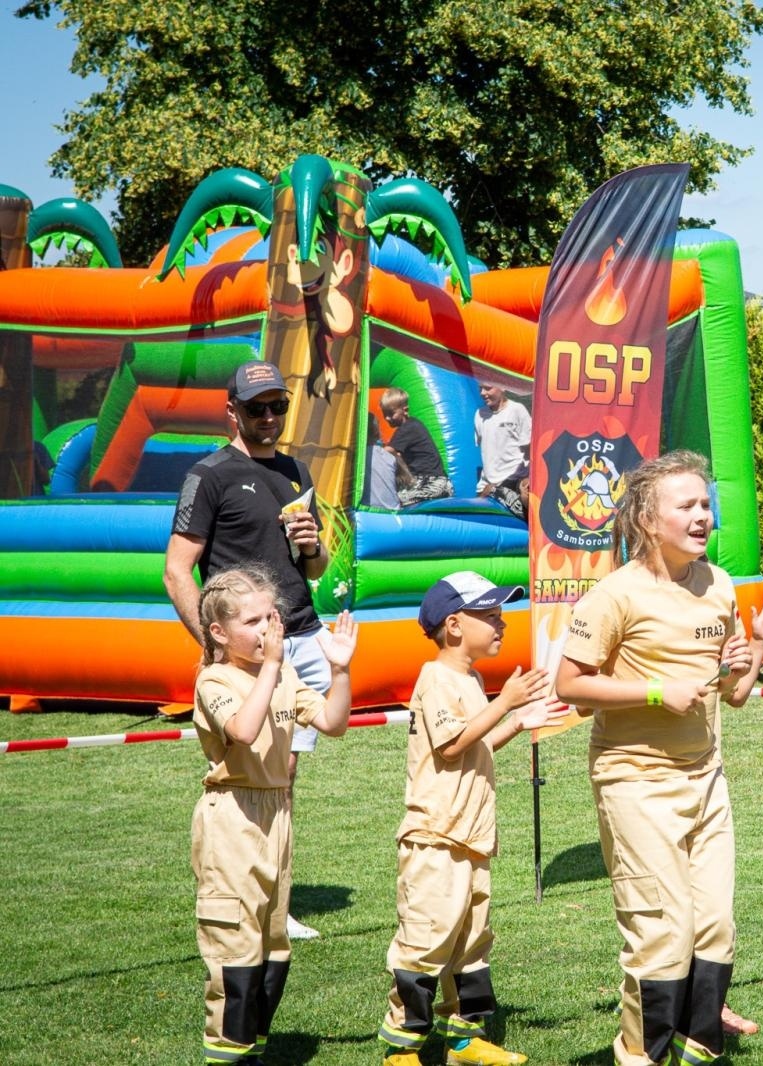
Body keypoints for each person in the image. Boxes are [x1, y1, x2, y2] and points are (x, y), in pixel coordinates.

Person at [555, 451, 763, 1066]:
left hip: (706, 778)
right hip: (635, 781)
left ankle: (698, 1046)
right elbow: (568, 686)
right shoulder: (613, 596)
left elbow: (733, 695)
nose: (702, 515)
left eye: (706, 503)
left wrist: (754, 653)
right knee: (662, 935)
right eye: (685, 505)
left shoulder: (717, 584)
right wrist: (656, 691)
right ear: (645, 519)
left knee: (712, 927)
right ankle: (641, 1056)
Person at [164, 361, 332, 941]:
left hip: (302, 636)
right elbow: (177, 571)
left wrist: (314, 547)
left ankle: (274, 899)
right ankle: (241, 895)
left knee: (285, 774)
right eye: (256, 407)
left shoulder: (293, 470)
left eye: (277, 406)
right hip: (247, 652)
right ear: (231, 410)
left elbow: (314, 567)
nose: (268, 417)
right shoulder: (209, 475)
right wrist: (213, 650)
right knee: (251, 772)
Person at [377, 571, 570, 1066]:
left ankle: (464, 1040)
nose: (502, 623)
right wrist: (507, 702)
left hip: (472, 837)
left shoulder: (470, 679)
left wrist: (514, 722)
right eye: (491, 616)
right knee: (425, 943)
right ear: (455, 626)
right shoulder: (436, 678)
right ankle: (404, 1048)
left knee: (472, 944)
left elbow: (473, 745)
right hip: (436, 836)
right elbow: (450, 743)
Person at [189, 566, 357, 1063]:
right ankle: (228, 1051)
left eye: (272, 616)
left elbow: (333, 723)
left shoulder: (281, 673)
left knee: (272, 948)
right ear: (219, 633)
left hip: (277, 813)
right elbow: (242, 730)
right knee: (235, 952)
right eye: (253, 621)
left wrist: (341, 670)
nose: (267, 629)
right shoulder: (214, 679)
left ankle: (252, 1050)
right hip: (233, 815)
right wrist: (270, 669)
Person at [381, 387, 453, 507]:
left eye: (391, 414)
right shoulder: (411, 425)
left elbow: (388, 451)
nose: (387, 418)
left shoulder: (408, 428)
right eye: (385, 414)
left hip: (434, 483)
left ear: (405, 410)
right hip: (431, 481)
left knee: (394, 500)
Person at [473, 384, 530, 519]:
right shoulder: (480, 414)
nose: (482, 393)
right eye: (480, 388)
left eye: (488, 388)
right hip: (486, 486)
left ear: (503, 387)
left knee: (527, 503)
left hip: (514, 481)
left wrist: (528, 479)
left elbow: (530, 449)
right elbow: (487, 448)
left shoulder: (517, 410)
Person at [365, 412, 401, 510]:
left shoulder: (357, 457)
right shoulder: (390, 457)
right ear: (377, 432)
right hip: (394, 510)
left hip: (369, 512)